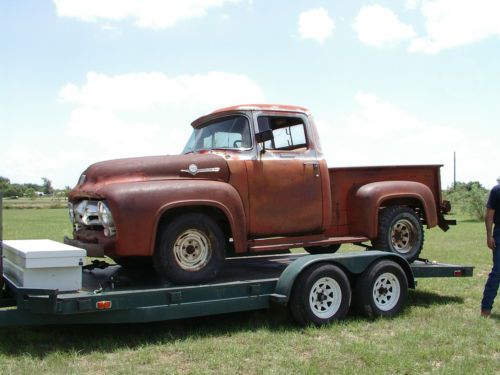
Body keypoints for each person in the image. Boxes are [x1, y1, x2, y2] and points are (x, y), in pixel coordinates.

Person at [481, 176, 500, 317]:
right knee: (497, 273)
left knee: (497, 272)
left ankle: (485, 310)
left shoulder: (496, 189)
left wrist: (489, 235)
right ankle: (486, 309)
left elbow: (489, 215)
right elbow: (490, 215)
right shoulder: (496, 190)